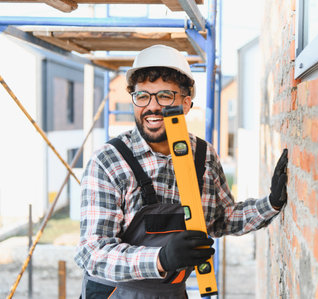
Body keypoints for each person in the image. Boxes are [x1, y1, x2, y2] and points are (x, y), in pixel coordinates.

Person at [74, 44, 288, 299]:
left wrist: (272, 203)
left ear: (186, 104)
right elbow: (93, 252)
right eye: (142, 96)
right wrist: (160, 259)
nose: (152, 107)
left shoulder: (203, 157)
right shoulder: (108, 161)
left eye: (164, 96)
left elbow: (222, 219)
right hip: (115, 292)